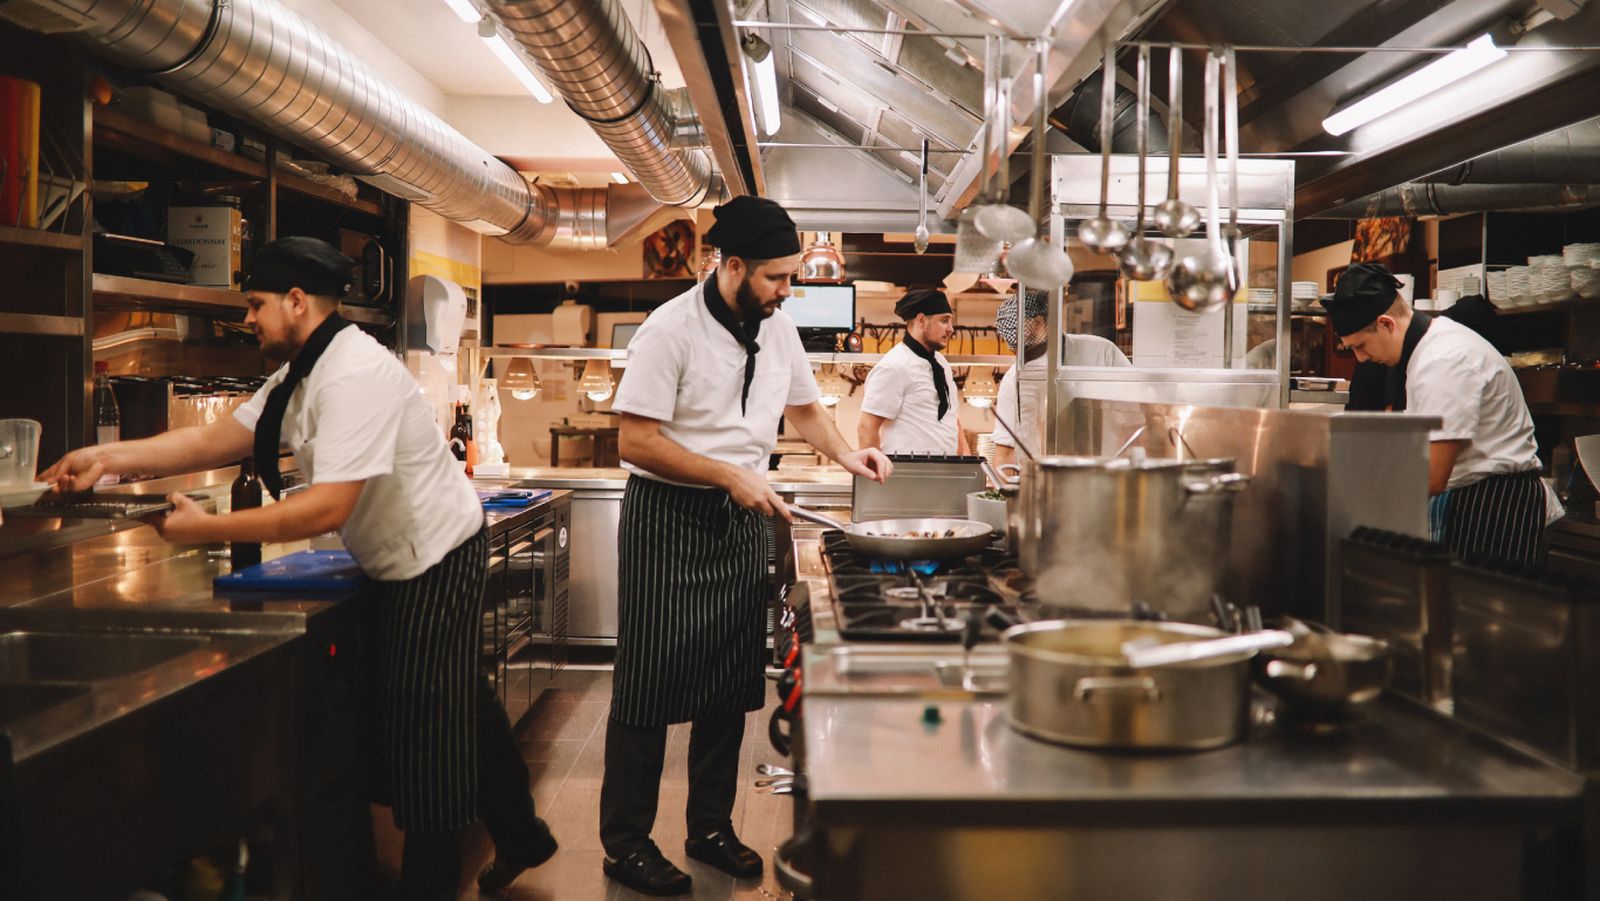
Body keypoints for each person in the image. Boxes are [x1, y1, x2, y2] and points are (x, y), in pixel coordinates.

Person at [40, 236, 556, 900]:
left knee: (425, 735)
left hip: (436, 554)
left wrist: (204, 530)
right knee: (462, 699)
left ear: (295, 301)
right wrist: (106, 458)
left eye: (255, 304)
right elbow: (216, 436)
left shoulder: (353, 375)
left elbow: (326, 508)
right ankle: (524, 835)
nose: (248, 319)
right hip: (393, 555)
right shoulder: (302, 374)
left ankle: (431, 883)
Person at [601, 195, 891, 896]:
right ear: (730, 266)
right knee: (647, 684)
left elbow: (803, 409)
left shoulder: (779, 326)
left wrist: (849, 455)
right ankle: (626, 843)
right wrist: (729, 473)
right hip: (667, 518)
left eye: (791, 278)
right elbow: (634, 440)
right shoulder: (668, 330)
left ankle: (709, 827)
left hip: (738, 516)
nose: (787, 291)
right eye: (775, 278)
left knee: (728, 684)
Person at [1323, 262, 1546, 564]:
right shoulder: (1428, 347)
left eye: (1360, 345)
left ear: (1386, 324)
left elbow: (1432, 476)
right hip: (1475, 498)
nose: (1361, 358)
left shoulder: (1443, 360)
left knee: (1481, 606)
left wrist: (1359, 506)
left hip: (1493, 506)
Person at [989, 287, 1131, 467]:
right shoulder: (1014, 379)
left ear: (1040, 322)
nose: (1012, 342)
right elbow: (1005, 452)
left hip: (1106, 474)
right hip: (1043, 481)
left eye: (1017, 331)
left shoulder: (1101, 352)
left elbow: (1136, 411)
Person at [858, 288, 968, 454]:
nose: (951, 329)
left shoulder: (941, 363)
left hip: (944, 472)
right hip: (906, 473)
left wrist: (965, 461)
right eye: (944, 321)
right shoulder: (894, 366)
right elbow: (866, 428)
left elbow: (951, 417)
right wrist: (875, 475)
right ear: (921, 320)